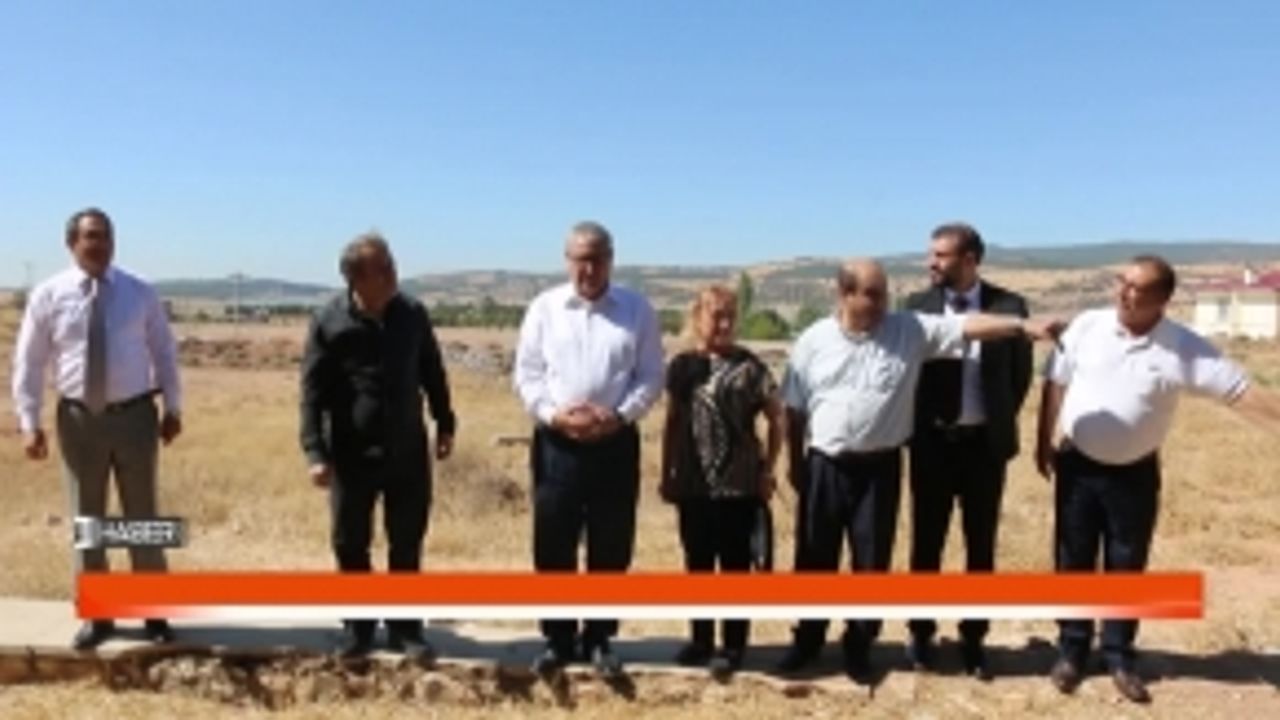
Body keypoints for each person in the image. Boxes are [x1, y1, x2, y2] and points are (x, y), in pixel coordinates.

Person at [777, 259, 1063, 682]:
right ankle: (807, 640)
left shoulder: (908, 330)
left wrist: (1021, 326)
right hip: (825, 465)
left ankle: (859, 646)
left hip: (879, 469)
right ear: (844, 294)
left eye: (883, 293)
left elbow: (967, 326)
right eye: (872, 295)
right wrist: (795, 463)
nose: (882, 303)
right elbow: (793, 408)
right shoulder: (813, 340)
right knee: (815, 556)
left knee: (871, 563)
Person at [1036, 255, 1280, 704]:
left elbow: (1240, 393)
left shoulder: (1183, 347)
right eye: (1122, 282)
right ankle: (1072, 650)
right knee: (1073, 558)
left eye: (1138, 288)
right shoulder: (1088, 326)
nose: (1124, 293)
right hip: (1077, 464)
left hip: (1134, 473)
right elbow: (1055, 382)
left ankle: (1119, 656)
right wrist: (1042, 441)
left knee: (1126, 563)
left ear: (1162, 300)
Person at [12, 207, 182, 649]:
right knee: (88, 519)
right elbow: (29, 361)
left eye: (105, 236)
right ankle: (99, 615)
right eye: (90, 236)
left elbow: (164, 351)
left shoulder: (139, 292)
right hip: (78, 420)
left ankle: (154, 613)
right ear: (72, 243)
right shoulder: (49, 295)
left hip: (135, 416)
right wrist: (29, 422)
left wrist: (173, 406)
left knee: (142, 516)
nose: (99, 244)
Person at [513, 220, 665, 679]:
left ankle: (599, 637)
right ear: (567, 261)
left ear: (611, 260)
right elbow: (527, 375)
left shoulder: (637, 310)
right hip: (557, 444)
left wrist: (618, 416)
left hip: (615, 442)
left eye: (597, 259)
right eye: (580, 259)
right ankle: (557, 639)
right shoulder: (544, 308)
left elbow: (650, 376)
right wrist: (554, 414)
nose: (589, 268)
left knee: (611, 543)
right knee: (553, 542)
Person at [300, 232, 456, 662]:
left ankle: (406, 630)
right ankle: (359, 628)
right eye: (382, 267)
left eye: (391, 263)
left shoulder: (412, 314)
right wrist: (315, 452)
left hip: (407, 449)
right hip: (351, 452)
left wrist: (445, 422)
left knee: (406, 541)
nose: (392, 273)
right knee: (351, 542)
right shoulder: (328, 321)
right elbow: (312, 393)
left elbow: (432, 370)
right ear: (356, 277)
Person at [904, 223, 1032, 679]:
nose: (931, 263)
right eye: (932, 254)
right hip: (932, 446)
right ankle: (921, 633)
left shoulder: (1009, 308)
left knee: (981, 546)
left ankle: (974, 638)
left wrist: (993, 422)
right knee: (926, 544)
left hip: (983, 449)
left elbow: (1019, 378)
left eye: (941, 256)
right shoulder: (916, 308)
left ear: (970, 260)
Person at [660, 285, 784, 679]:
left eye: (731, 316)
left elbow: (777, 417)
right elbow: (672, 421)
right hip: (693, 485)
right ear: (698, 317)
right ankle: (701, 640)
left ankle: (733, 645)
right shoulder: (682, 367)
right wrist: (667, 472)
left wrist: (768, 469)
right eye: (717, 316)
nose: (725, 324)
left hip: (739, 485)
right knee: (698, 564)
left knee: (735, 566)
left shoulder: (750, 367)